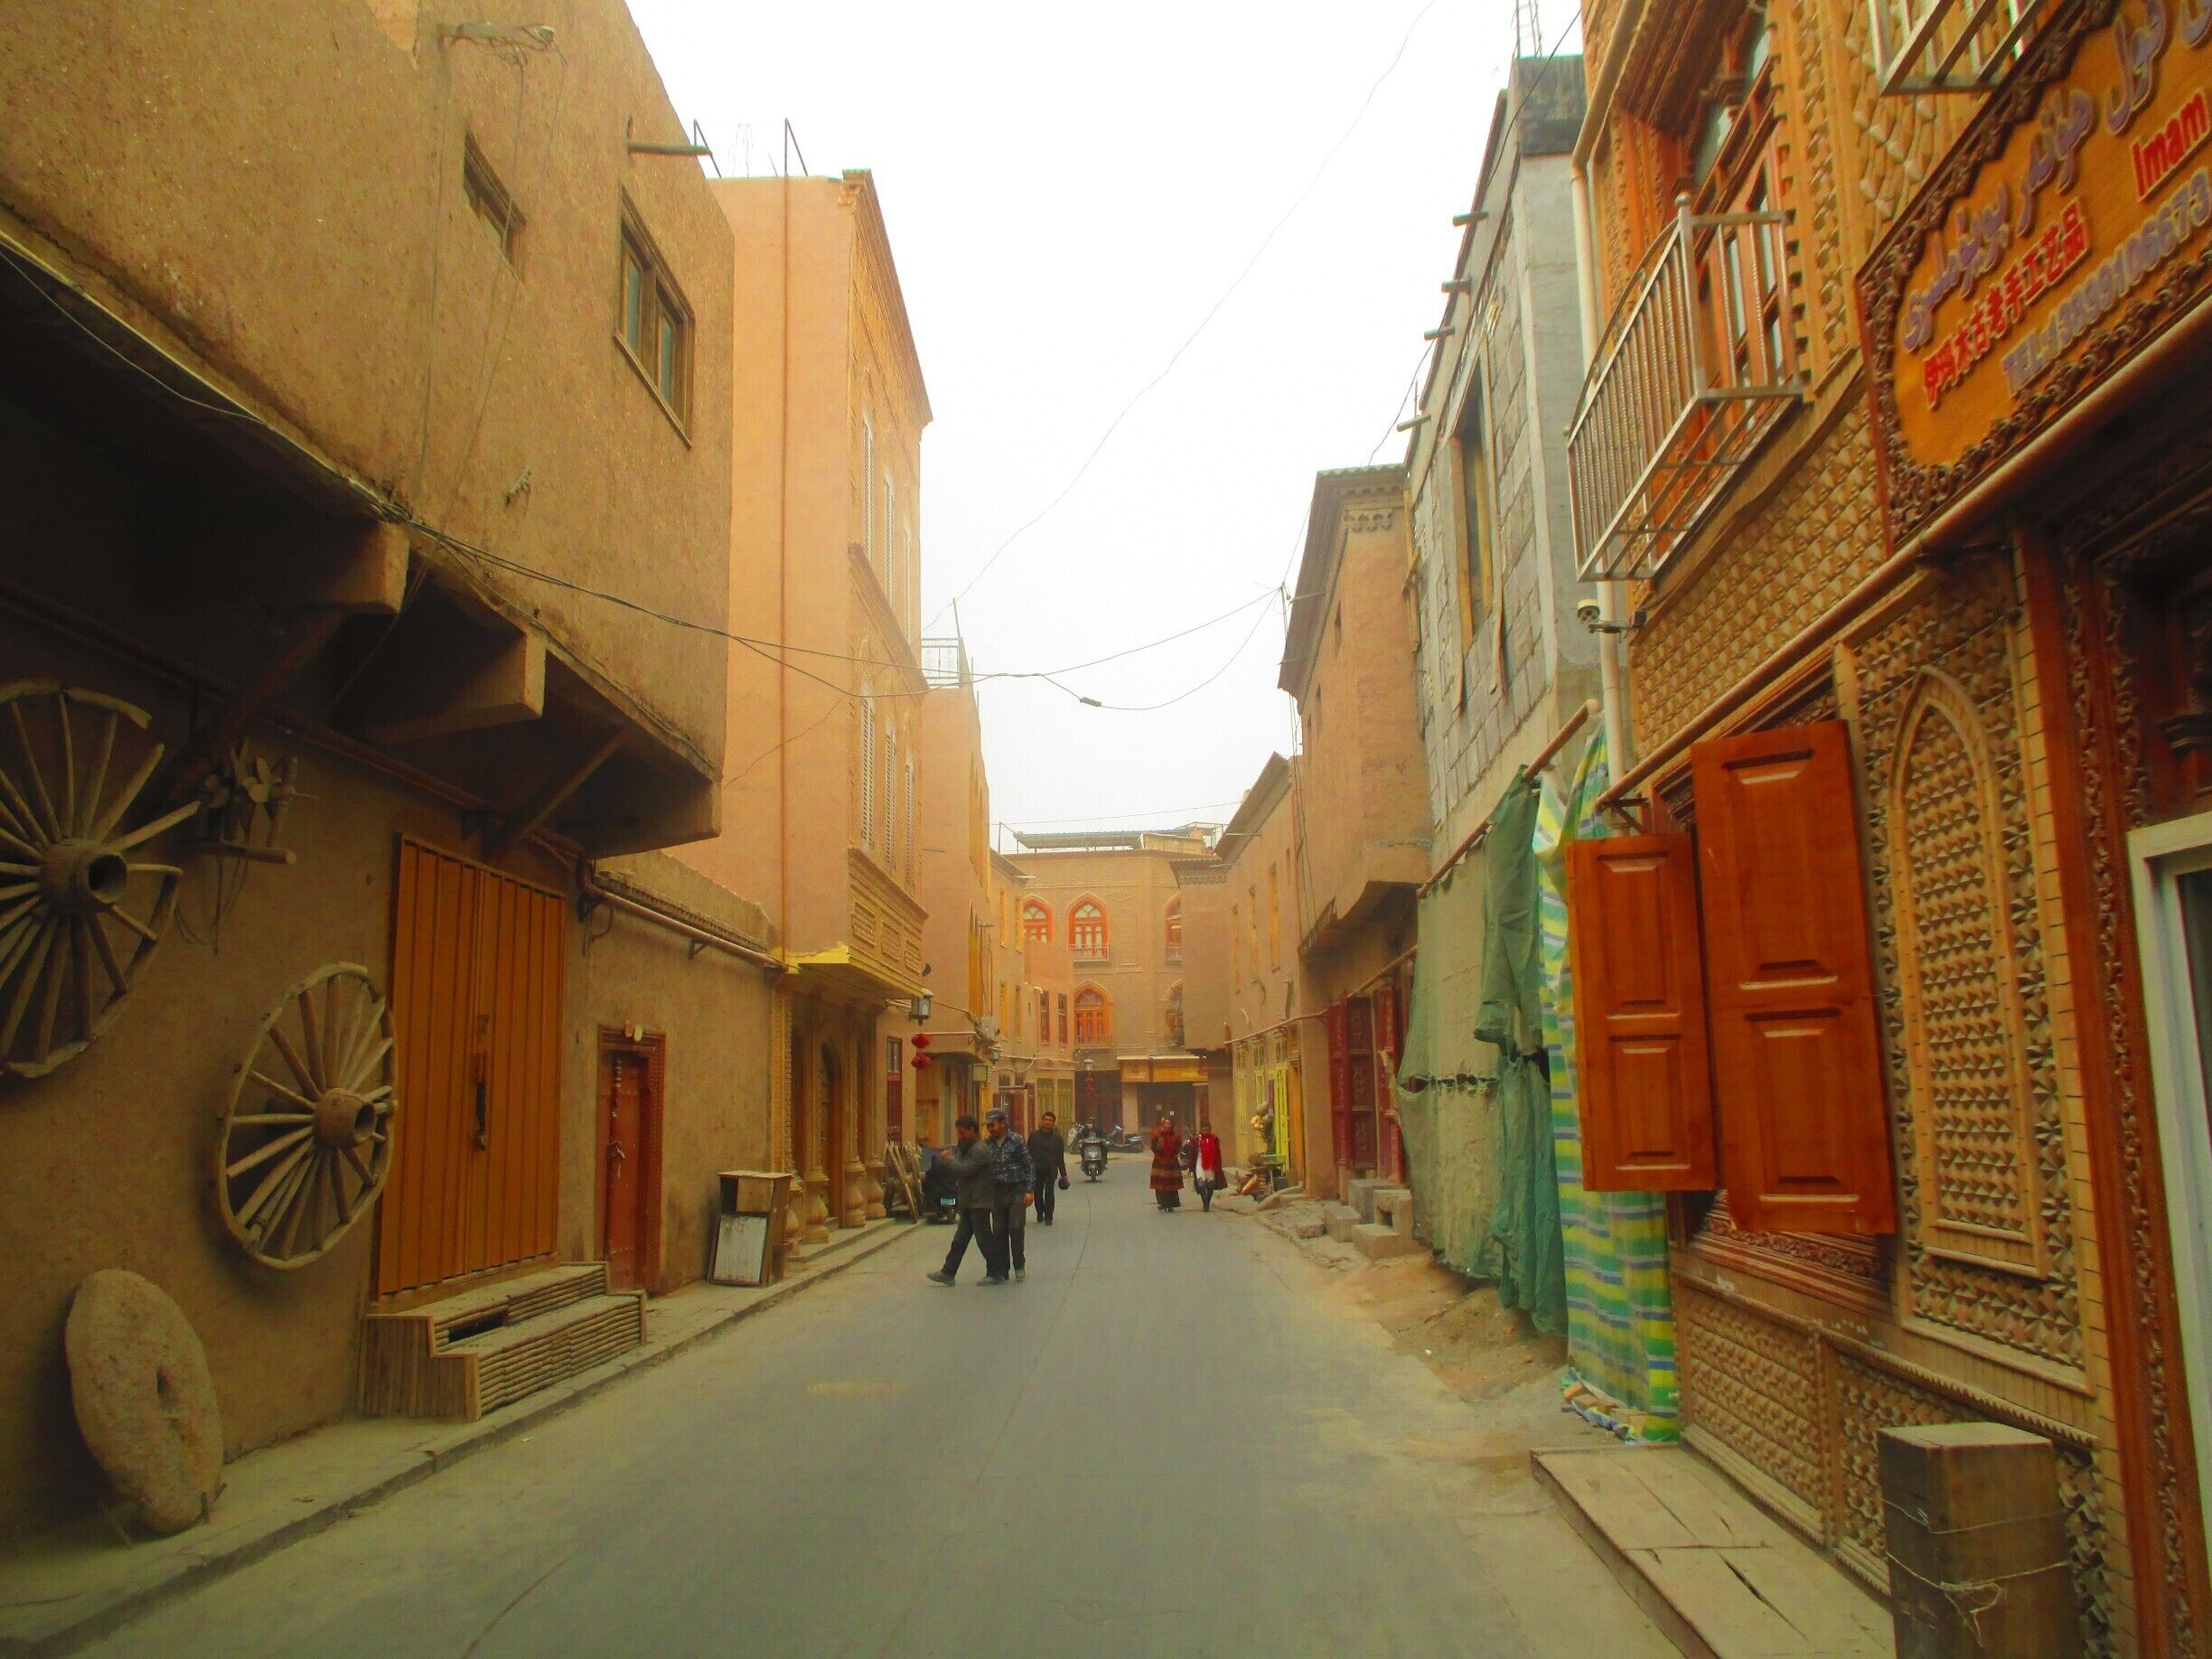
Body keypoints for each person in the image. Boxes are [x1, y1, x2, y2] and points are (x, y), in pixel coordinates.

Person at [925, 1115, 1008, 1286]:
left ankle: (996, 1272)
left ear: (972, 1130)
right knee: (960, 1239)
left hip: (978, 1201)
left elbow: (964, 1170)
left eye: (962, 1133)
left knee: (984, 1238)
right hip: (969, 1201)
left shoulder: (979, 1150)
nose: (960, 1137)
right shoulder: (968, 1148)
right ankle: (948, 1272)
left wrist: (949, 1159)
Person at [986, 1107, 1034, 1281]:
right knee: (998, 1231)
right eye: (988, 1126)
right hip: (997, 1192)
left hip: (1016, 1191)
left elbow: (1028, 1165)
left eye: (993, 1125)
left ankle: (1019, 1265)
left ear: (1003, 1124)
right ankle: (1002, 1269)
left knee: (1015, 1227)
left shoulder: (1017, 1141)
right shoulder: (987, 1144)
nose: (991, 1129)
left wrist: (1029, 1190)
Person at [1028, 1111, 1069, 1225]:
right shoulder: (1034, 1136)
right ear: (1042, 1121)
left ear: (1053, 1123)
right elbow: (1028, 1153)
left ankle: (1049, 1216)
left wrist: (1064, 1174)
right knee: (1038, 1193)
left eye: (1050, 1120)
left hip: (1050, 1169)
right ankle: (1040, 1213)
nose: (1047, 1122)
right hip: (1037, 1169)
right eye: (1046, 1119)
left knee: (1050, 1193)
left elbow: (1060, 1158)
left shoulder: (1057, 1138)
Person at [1148, 1113, 1184, 1211]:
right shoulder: (1157, 1135)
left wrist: (1172, 1152)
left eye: (1169, 1123)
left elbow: (1178, 1147)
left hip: (1172, 1163)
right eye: (1166, 1123)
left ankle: (1171, 1204)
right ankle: (1162, 1203)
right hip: (1159, 1163)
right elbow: (1153, 1146)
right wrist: (1160, 1152)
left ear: (1172, 1125)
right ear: (1163, 1125)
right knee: (1160, 1184)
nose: (1167, 1125)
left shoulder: (1176, 1136)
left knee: (1171, 1184)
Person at [1193, 1120, 1225, 1212]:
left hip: (1211, 1164)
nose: (1206, 1132)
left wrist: (1218, 1165)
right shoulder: (1196, 1140)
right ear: (1201, 1130)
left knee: (1211, 1185)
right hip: (1200, 1163)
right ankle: (1205, 1204)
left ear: (1210, 1130)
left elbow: (1218, 1153)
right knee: (1201, 1183)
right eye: (1204, 1130)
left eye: (1207, 1130)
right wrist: (1191, 1166)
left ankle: (1208, 1201)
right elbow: (1193, 1153)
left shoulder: (1214, 1139)